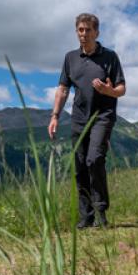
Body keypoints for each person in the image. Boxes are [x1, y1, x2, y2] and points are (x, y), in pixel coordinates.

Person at [48, 13, 126, 229]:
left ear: (97, 32)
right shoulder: (70, 58)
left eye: (88, 30)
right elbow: (63, 89)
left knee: (95, 159)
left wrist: (109, 90)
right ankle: (86, 216)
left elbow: (122, 89)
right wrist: (54, 116)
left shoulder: (109, 57)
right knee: (79, 166)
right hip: (79, 118)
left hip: (102, 115)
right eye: (80, 30)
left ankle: (101, 211)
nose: (84, 34)